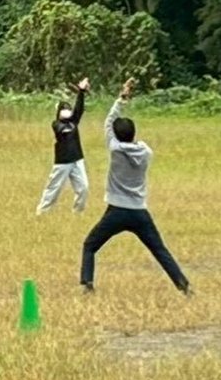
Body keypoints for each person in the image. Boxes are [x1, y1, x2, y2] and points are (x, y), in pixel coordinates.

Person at [80, 78, 189, 295]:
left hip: (116, 211)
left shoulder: (115, 149)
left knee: (90, 245)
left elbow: (108, 122)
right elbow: (121, 131)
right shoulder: (146, 152)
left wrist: (122, 98)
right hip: (139, 211)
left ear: (117, 135)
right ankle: (183, 285)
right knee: (159, 250)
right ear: (133, 133)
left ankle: (87, 285)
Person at [36, 78, 90, 215]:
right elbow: (66, 129)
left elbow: (79, 108)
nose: (67, 111)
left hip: (77, 159)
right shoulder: (57, 124)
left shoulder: (73, 120)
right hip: (63, 162)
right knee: (54, 188)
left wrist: (81, 92)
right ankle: (42, 212)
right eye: (64, 109)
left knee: (83, 187)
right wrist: (73, 118)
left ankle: (78, 213)